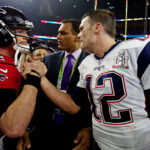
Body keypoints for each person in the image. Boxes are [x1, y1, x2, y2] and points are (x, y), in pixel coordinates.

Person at [39, 9, 150, 150]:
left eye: (81, 29)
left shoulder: (138, 49)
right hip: (101, 144)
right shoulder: (86, 63)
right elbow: (73, 105)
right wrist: (40, 77)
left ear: (97, 27)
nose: (79, 35)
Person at [17, 19, 92, 150]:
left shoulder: (92, 61)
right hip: (45, 128)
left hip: (76, 130)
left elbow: (94, 101)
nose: (58, 37)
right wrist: (28, 127)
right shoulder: (48, 59)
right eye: (58, 33)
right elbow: (38, 97)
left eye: (63, 33)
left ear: (77, 36)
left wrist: (89, 127)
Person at [0, 5, 47, 149]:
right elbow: (13, 127)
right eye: (20, 31)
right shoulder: (4, 67)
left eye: (26, 31)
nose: (26, 36)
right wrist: (34, 77)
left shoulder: (12, 63)